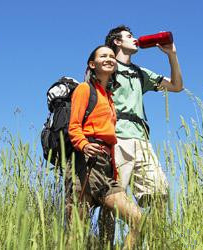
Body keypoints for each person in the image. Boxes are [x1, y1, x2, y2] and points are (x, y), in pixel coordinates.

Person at [99, 25, 183, 243]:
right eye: (129, 36)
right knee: (113, 200)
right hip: (116, 139)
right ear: (117, 42)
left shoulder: (139, 73)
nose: (135, 39)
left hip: (142, 141)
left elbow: (176, 86)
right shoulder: (107, 65)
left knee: (159, 196)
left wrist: (171, 54)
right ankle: (104, 245)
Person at [67, 45, 142, 249]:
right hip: (86, 164)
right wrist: (83, 145)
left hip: (106, 166)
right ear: (93, 64)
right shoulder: (85, 89)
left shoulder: (109, 97)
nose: (109, 58)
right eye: (103, 56)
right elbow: (73, 126)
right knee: (76, 234)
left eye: (111, 56)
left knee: (137, 219)